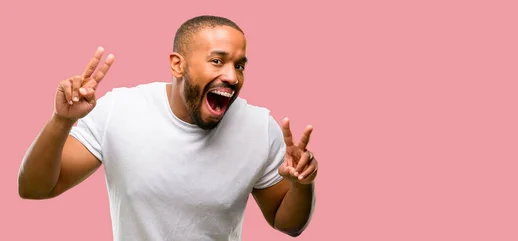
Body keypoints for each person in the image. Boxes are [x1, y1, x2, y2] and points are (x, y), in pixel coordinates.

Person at [17, 15, 318, 240]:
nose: (232, 76)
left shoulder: (258, 128)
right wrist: (62, 120)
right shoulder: (119, 110)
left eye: (239, 65)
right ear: (177, 65)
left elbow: (288, 223)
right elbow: (34, 188)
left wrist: (303, 184)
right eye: (217, 61)